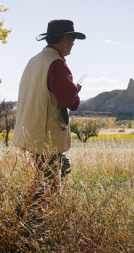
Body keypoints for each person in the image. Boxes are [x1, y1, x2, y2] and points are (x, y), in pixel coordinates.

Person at [13, 19, 85, 193]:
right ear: (64, 38)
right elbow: (69, 101)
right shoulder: (57, 64)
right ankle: (26, 217)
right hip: (46, 138)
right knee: (47, 191)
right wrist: (75, 91)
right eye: (72, 38)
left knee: (59, 170)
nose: (73, 43)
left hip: (32, 134)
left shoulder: (34, 61)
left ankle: (25, 214)